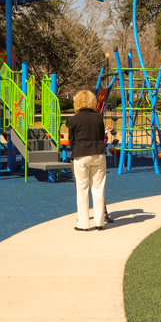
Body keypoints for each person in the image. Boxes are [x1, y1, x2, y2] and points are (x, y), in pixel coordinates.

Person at [66, 90, 108, 231]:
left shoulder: (74, 120)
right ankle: (99, 221)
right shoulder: (98, 117)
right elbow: (101, 136)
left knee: (82, 189)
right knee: (98, 188)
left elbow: (71, 141)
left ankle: (83, 223)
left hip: (81, 154)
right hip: (98, 153)